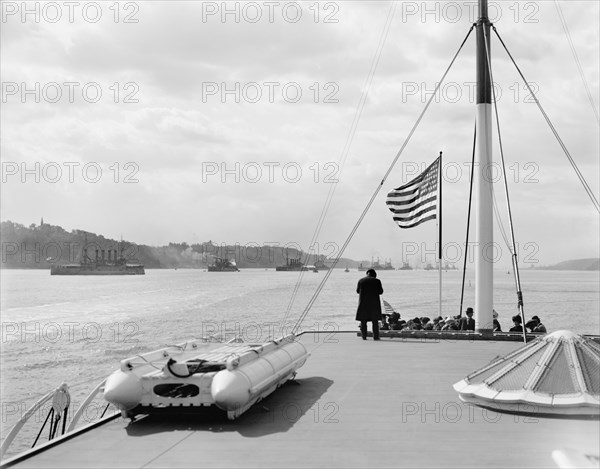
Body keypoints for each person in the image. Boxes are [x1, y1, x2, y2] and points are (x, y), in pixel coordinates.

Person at [356, 269, 384, 340]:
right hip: (374, 304)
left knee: (363, 321)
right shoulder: (377, 281)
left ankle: (364, 336)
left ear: (367, 274)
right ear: (374, 274)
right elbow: (380, 292)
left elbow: (357, 291)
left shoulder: (361, 281)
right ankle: (376, 337)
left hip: (363, 304)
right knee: (375, 321)